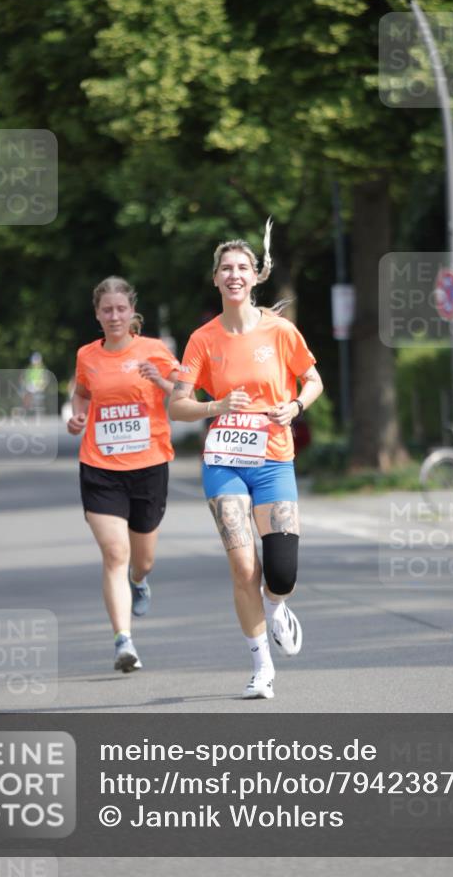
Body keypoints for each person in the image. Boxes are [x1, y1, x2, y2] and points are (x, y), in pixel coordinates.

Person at [169, 220, 323, 699]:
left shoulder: (281, 331)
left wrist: (295, 406)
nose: (234, 275)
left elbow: (314, 380)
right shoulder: (202, 340)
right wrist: (216, 406)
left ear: (255, 276)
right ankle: (262, 667)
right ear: (215, 279)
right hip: (225, 461)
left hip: (275, 459)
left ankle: (277, 607)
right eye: (225, 268)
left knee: (281, 572)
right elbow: (177, 405)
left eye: (242, 267)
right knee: (242, 567)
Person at [67, 276, 179, 673]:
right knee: (115, 552)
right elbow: (82, 391)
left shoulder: (154, 349)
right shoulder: (87, 355)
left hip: (148, 466)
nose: (114, 316)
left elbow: (183, 392)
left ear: (132, 311)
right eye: (106, 310)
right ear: (97, 315)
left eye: (120, 309)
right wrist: (77, 414)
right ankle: (123, 641)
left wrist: (161, 380)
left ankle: (140, 581)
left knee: (142, 560)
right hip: (100, 466)